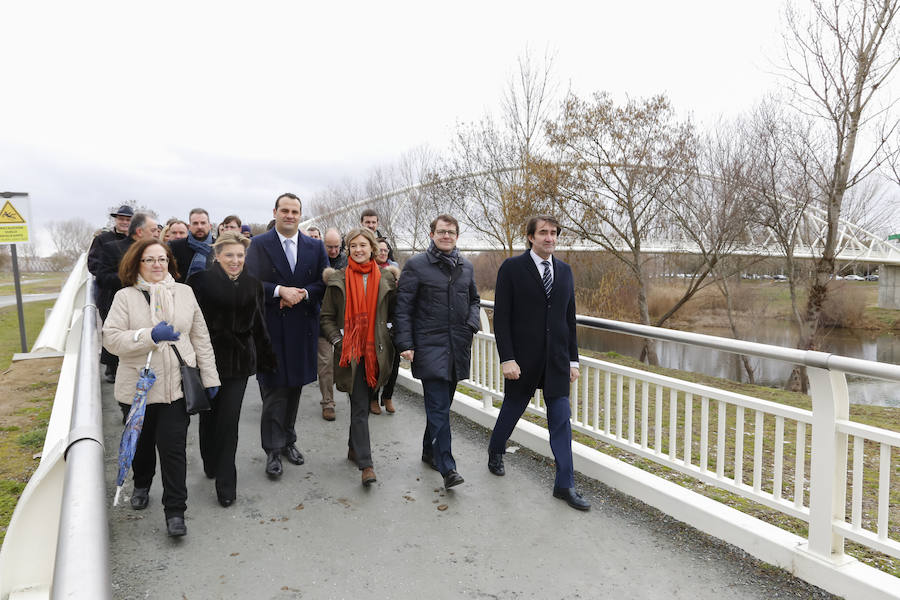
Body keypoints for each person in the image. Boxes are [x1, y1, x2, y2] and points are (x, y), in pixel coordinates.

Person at [102, 239, 220, 536]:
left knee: (173, 449)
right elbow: (111, 340)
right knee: (142, 447)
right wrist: (149, 335)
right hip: (138, 391)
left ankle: (175, 512)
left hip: (175, 389)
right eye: (150, 260)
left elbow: (200, 337)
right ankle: (142, 482)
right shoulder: (125, 297)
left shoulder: (185, 293)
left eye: (162, 259)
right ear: (136, 263)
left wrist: (210, 377)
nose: (157, 265)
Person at [486, 215, 590, 511]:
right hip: (522, 360)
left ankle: (564, 484)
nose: (549, 238)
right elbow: (502, 318)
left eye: (554, 233)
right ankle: (496, 450)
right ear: (530, 237)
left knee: (561, 421)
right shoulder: (512, 268)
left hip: (557, 360)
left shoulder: (565, 271)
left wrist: (573, 359)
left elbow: (568, 319)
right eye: (543, 233)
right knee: (512, 410)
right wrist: (507, 358)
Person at [187, 232, 277, 507]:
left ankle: (227, 484)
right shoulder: (199, 282)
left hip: (238, 362)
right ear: (217, 256)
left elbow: (260, 323)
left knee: (229, 422)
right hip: (208, 359)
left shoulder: (253, 285)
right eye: (229, 255)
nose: (235, 260)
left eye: (240, 255)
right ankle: (210, 462)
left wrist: (266, 358)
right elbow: (190, 325)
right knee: (209, 417)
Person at [245, 193, 328, 479]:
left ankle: (289, 440)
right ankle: (272, 449)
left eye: (295, 211)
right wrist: (280, 291)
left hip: (302, 327)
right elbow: (251, 281)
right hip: (271, 328)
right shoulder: (258, 244)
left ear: (300, 214)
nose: (290, 215)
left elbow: (322, 282)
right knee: (273, 391)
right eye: (285, 210)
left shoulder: (315, 247)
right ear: (275, 212)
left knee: (294, 389)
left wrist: (303, 293)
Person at [395, 215, 480, 489]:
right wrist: (406, 343)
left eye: (451, 232)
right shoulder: (417, 266)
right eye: (441, 232)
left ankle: (428, 452)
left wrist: (471, 324)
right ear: (431, 234)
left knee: (441, 406)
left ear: (457, 236)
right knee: (439, 408)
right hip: (429, 346)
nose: (446, 236)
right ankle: (448, 468)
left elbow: (475, 300)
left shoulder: (465, 267)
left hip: (457, 346)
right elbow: (403, 308)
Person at [320, 228, 398, 486]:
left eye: (363, 245)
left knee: (362, 404)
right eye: (353, 246)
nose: (358, 250)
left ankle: (354, 449)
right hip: (351, 353)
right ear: (348, 249)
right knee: (360, 405)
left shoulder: (387, 278)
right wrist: (339, 341)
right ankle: (367, 464)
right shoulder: (338, 279)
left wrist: (391, 337)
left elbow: (396, 315)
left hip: (377, 352)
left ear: (372, 248)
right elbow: (327, 318)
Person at [96, 213, 159, 385]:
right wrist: (133, 277)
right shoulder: (112, 248)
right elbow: (102, 278)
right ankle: (116, 372)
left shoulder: (156, 250)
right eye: (153, 230)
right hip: (123, 305)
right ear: (139, 231)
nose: (157, 233)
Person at [316, 227, 347, 421]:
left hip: (343, 319)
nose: (333, 251)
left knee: (340, 361)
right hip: (322, 317)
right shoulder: (316, 259)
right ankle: (328, 402)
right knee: (325, 362)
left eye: (336, 247)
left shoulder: (347, 261)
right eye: (329, 247)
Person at [372, 237, 400, 414]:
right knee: (375, 363)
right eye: (380, 250)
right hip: (375, 324)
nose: (383, 253)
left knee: (394, 362)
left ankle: (388, 396)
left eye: (385, 250)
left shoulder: (394, 274)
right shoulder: (369, 272)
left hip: (393, 323)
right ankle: (373, 398)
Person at [169, 209, 214, 282]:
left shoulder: (219, 247)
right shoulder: (175, 246)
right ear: (189, 226)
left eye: (203, 223)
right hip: (181, 291)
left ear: (210, 226)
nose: (199, 227)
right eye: (195, 223)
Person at [87, 204, 133, 276]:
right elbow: (93, 264)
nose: (125, 222)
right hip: (107, 283)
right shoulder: (101, 239)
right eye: (121, 219)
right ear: (116, 220)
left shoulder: (137, 241)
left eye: (128, 220)